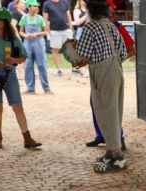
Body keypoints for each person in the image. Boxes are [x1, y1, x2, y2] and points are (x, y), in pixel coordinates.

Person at [74, 0, 127, 172]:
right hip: (117, 70)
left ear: (89, 9)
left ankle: (118, 156)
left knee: (106, 112)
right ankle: (112, 151)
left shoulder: (90, 26)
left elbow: (82, 56)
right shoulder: (110, 25)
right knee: (115, 111)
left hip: (103, 73)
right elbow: (124, 52)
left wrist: (70, 50)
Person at [0, 8, 41, 150]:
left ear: (6, 22)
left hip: (10, 75)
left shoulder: (14, 39)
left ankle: (27, 138)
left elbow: (23, 57)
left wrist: (13, 59)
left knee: (17, 106)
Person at [84, 0, 133, 150]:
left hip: (108, 71)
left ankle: (118, 139)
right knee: (97, 103)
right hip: (104, 71)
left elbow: (131, 49)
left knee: (111, 107)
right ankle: (101, 134)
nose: (112, 10)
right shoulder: (104, 25)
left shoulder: (115, 26)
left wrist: (114, 62)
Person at [19, 0, 51, 94]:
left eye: (37, 6)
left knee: (41, 65)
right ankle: (30, 88)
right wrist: (25, 36)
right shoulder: (24, 18)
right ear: (28, 7)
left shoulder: (40, 18)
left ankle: (46, 88)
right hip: (27, 44)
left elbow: (45, 32)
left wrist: (36, 34)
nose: (36, 8)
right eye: (34, 6)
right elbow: (21, 31)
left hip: (39, 43)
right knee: (28, 65)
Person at [42, 0, 73, 76]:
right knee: (55, 50)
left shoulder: (64, 2)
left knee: (72, 48)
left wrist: (70, 27)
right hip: (54, 30)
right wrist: (47, 28)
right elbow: (45, 17)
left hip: (66, 29)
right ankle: (59, 69)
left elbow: (68, 15)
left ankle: (75, 68)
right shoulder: (47, 4)